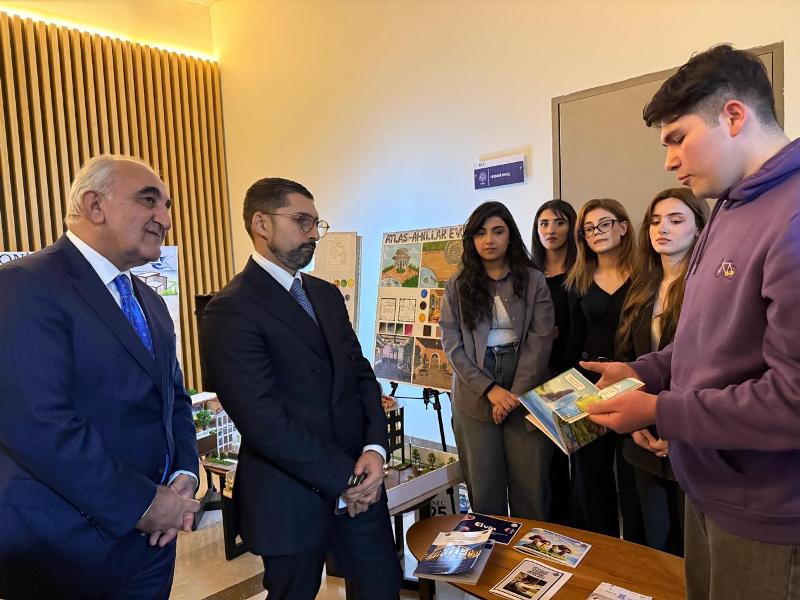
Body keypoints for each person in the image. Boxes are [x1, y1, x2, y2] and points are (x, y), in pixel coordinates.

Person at [585, 44, 800, 599]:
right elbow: (708, 343)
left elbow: (792, 401)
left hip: (768, 515)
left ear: (734, 116)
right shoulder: (729, 204)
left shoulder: (792, 215)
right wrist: (645, 371)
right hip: (707, 488)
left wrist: (659, 410)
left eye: (678, 138)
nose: (669, 161)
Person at [0, 155, 200, 599]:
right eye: (148, 200)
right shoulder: (21, 285)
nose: (165, 219)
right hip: (65, 552)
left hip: (151, 547)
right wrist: (144, 504)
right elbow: (40, 426)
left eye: (167, 206)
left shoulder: (149, 300)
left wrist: (185, 473)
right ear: (94, 205)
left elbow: (174, 399)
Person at [199, 178, 400, 600]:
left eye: (316, 223)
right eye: (302, 221)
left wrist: (375, 450)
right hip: (289, 494)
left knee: (381, 587)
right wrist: (345, 477)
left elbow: (361, 376)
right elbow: (263, 420)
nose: (314, 234)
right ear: (261, 224)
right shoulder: (231, 309)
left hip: (361, 482)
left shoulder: (324, 295)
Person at [440, 201, 555, 519]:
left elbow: (541, 338)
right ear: (471, 239)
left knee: (530, 488)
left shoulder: (533, 280)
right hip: (474, 388)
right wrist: (490, 390)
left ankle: (530, 552)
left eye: (497, 231)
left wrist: (514, 394)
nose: (489, 239)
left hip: (527, 384)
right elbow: (452, 344)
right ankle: (491, 550)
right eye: (480, 233)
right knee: (484, 489)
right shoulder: (457, 284)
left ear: (510, 236)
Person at [615, 187, 709, 555]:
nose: (662, 228)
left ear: (699, 228)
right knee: (650, 545)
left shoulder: (709, 286)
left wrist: (677, 427)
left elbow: (711, 367)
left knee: (691, 548)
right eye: (655, 221)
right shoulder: (642, 286)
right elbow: (627, 356)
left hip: (692, 434)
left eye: (675, 220)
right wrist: (633, 422)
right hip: (641, 434)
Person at [564, 198, 643, 540]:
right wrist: (564, 396)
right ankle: (599, 550)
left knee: (634, 477)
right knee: (590, 479)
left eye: (605, 224)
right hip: (588, 388)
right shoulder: (578, 280)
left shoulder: (645, 276)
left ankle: (637, 557)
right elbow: (571, 343)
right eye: (589, 228)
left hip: (635, 384)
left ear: (623, 227)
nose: (597, 232)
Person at [531, 199, 578, 525]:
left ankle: (581, 526)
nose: (551, 230)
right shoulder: (529, 273)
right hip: (539, 372)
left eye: (559, 222)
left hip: (574, 371)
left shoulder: (582, 270)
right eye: (544, 223)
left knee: (581, 459)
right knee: (549, 461)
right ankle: (553, 525)